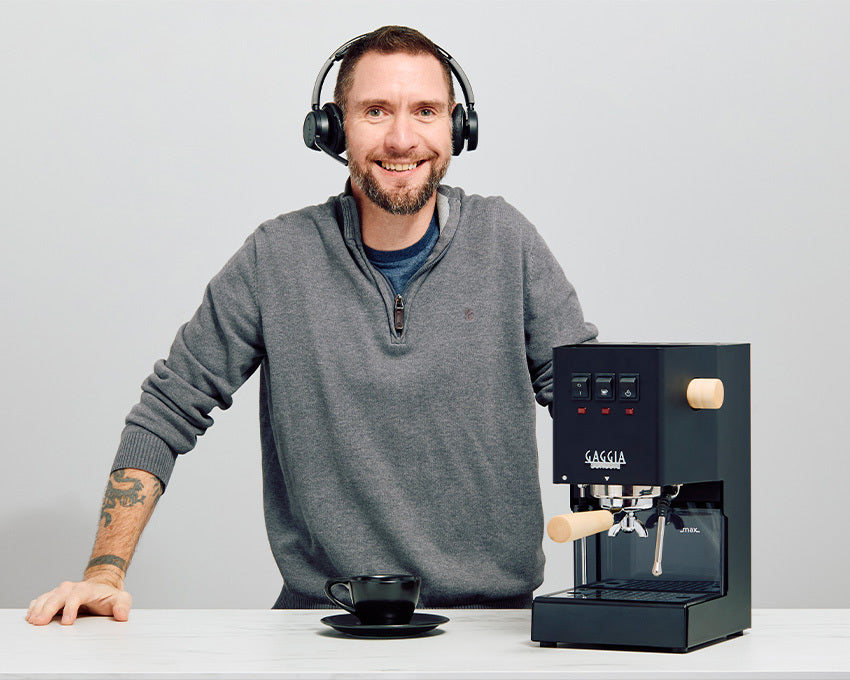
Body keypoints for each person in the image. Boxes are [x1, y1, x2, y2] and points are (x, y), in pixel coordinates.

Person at [26, 25, 597, 626]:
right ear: (332, 129)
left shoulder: (507, 241)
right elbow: (167, 410)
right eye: (375, 111)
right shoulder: (277, 256)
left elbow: (593, 403)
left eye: (425, 111)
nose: (402, 138)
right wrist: (104, 574)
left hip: (494, 627)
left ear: (458, 127)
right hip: (322, 626)